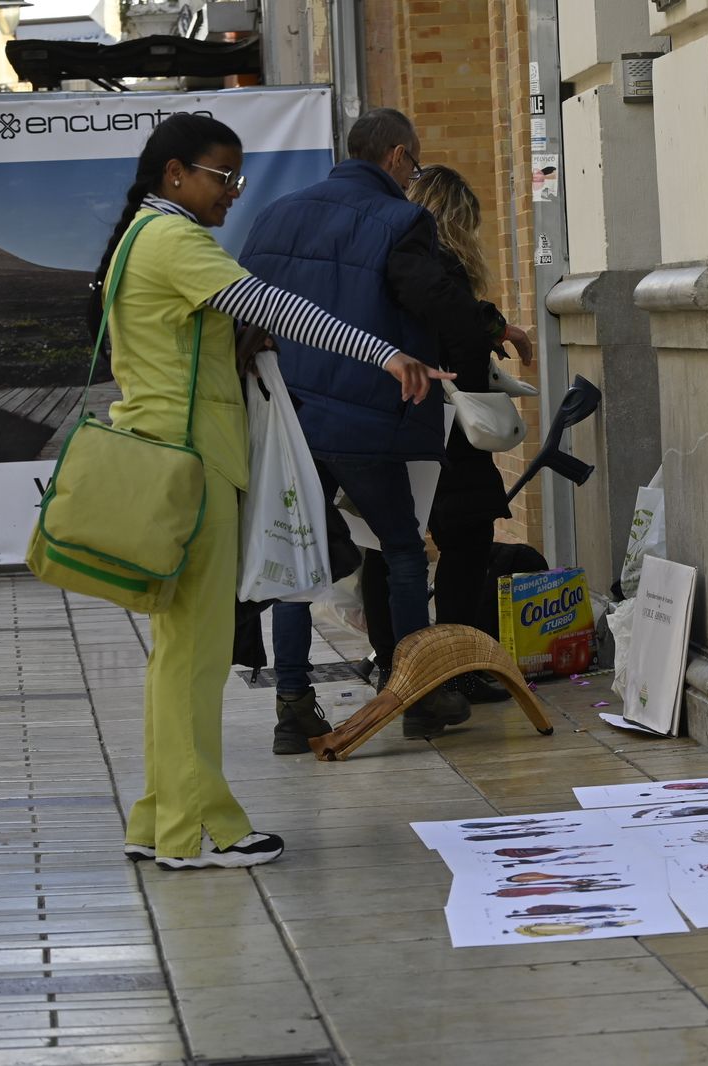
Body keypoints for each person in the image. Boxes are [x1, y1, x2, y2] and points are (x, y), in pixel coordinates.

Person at [94, 114, 443, 869]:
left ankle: (160, 821)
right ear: (176, 174)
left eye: (238, 178)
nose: (233, 193)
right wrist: (386, 355)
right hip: (194, 468)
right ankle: (198, 830)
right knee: (195, 656)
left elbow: (209, 340)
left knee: (178, 655)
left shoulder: (141, 238)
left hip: (171, 461)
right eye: (223, 178)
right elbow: (280, 308)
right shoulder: (174, 239)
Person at [237, 109, 506, 752]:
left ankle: (292, 704)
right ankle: (416, 692)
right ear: (395, 156)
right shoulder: (401, 220)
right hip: (366, 415)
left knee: (297, 558)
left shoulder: (275, 215)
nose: (413, 175)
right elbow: (436, 301)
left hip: (290, 417)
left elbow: (245, 306)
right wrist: (479, 346)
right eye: (413, 163)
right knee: (403, 550)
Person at [401, 164, 532, 706]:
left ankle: (401, 669)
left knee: (401, 549)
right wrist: (491, 338)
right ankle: (453, 670)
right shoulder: (443, 266)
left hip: (408, 418)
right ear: (457, 218)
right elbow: (461, 338)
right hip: (450, 425)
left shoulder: (403, 260)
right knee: (465, 545)